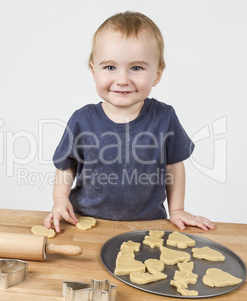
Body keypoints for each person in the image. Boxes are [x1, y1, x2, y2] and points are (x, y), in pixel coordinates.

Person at [44, 11, 215, 233]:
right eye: (110, 67)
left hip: (148, 226)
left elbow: (174, 165)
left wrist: (177, 210)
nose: (122, 80)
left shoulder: (164, 117)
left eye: (136, 68)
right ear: (93, 69)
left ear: (157, 74)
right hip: (85, 224)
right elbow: (66, 165)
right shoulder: (82, 120)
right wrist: (59, 198)